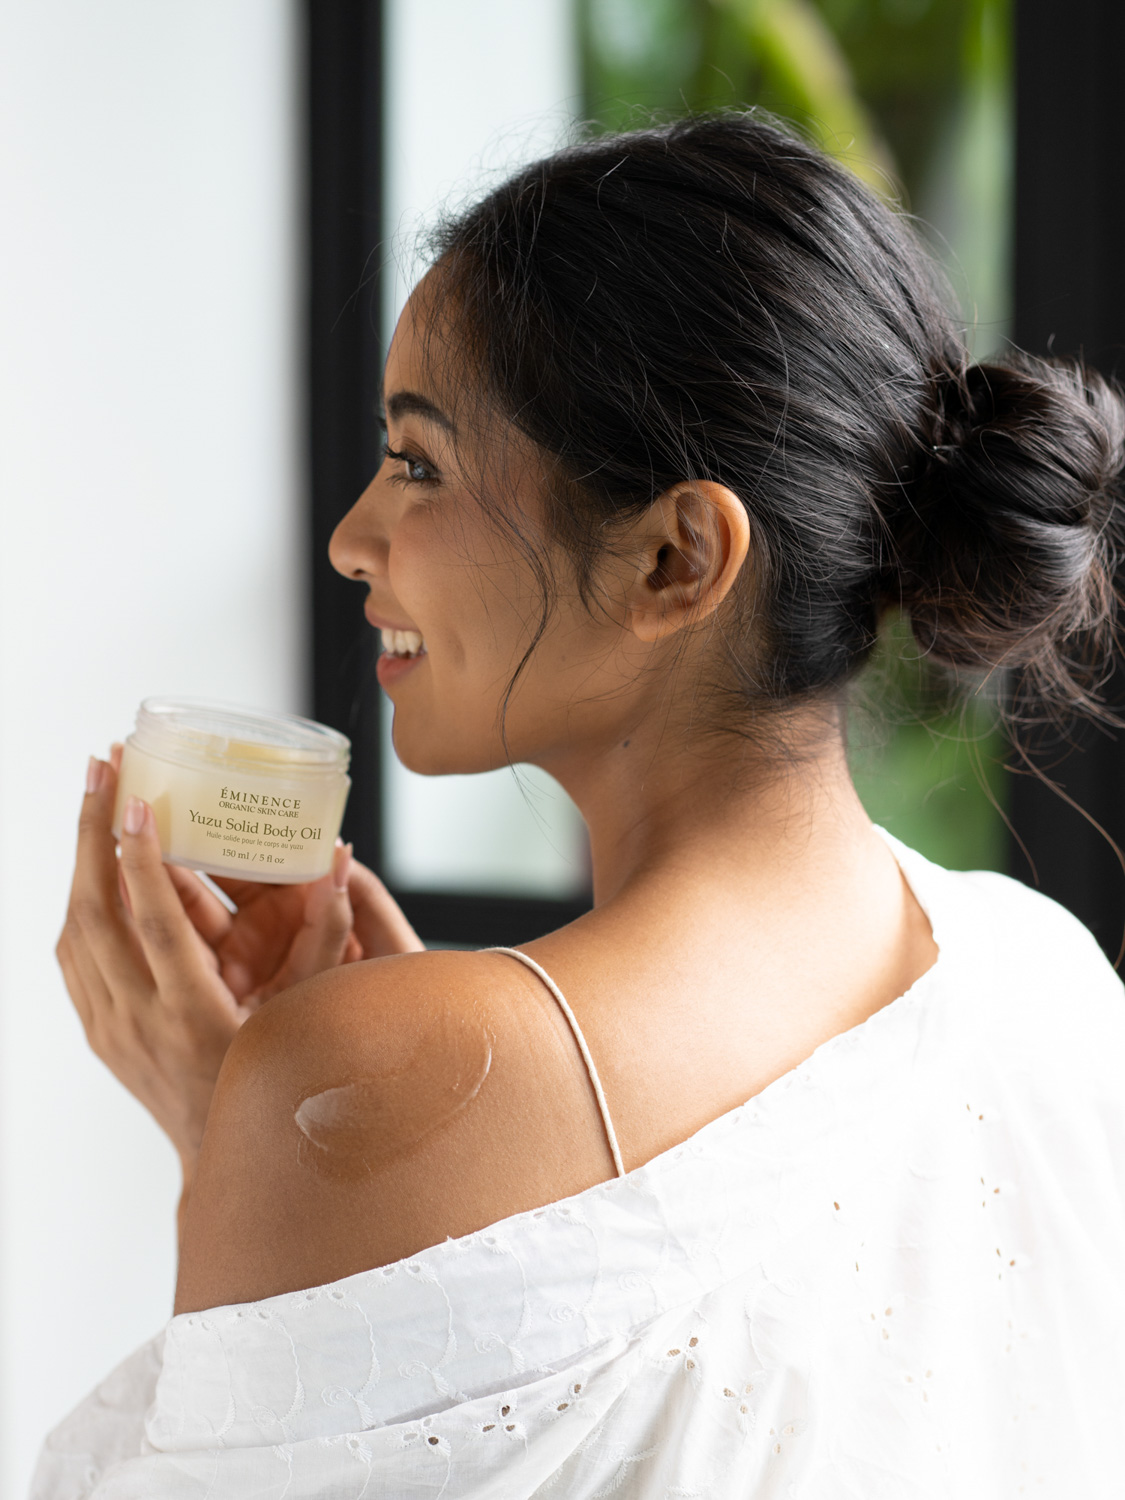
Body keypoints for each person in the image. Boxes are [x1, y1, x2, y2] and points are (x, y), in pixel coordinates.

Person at [35, 113, 1125, 1497]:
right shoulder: (1048, 977)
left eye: (418, 463)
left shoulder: (348, 1078)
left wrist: (243, 1133)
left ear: (676, 557)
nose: (351, 537)